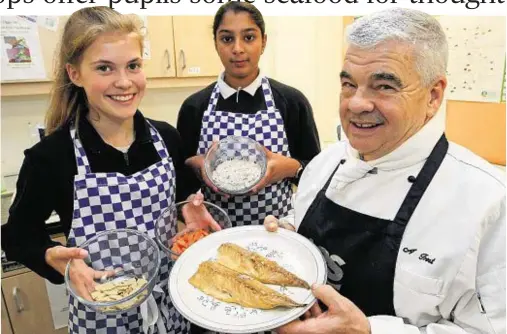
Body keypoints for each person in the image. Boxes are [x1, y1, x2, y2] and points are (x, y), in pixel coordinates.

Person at [264, 8, 505, 334]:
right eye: (349, 84)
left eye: (384, 86)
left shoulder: (488, 202)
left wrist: (368, 332)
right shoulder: (323, 165)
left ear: (433, 96)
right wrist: (288, 240)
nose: (356, 104)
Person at [1, 7, 209, 334]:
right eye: (104, 68)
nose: (124, 82)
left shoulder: (166, 138)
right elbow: (16, 236)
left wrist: (189, 212)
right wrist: (59, 259)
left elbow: (182, 199)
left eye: (133, 65)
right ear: (75, 74)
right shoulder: (52, 157)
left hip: (173, 304)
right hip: (101, 313)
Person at [177, 2, 321, 228]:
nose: (237, 49)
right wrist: (195, 166)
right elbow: (180, 177)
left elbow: (316, 174)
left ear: (263, 42)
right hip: (213, 230)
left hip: (275, 229)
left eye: (249, 37)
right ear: (215, 43)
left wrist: (290, 167)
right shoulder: (194, 107)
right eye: (226, 39)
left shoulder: (292, 102)